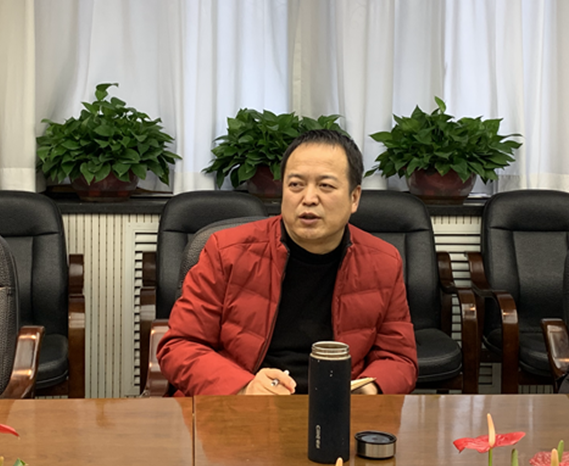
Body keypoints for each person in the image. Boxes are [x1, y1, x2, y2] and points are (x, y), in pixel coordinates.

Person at [157, 129, 418, 396]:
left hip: (339, 407)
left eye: (326, 186)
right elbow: (180, 346)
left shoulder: (383, 262)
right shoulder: (226, 251)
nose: (309, 198)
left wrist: (367, 391)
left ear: (354, 197)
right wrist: (244, 387)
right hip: (245, 406)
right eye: (295, 185)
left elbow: (398, 358)